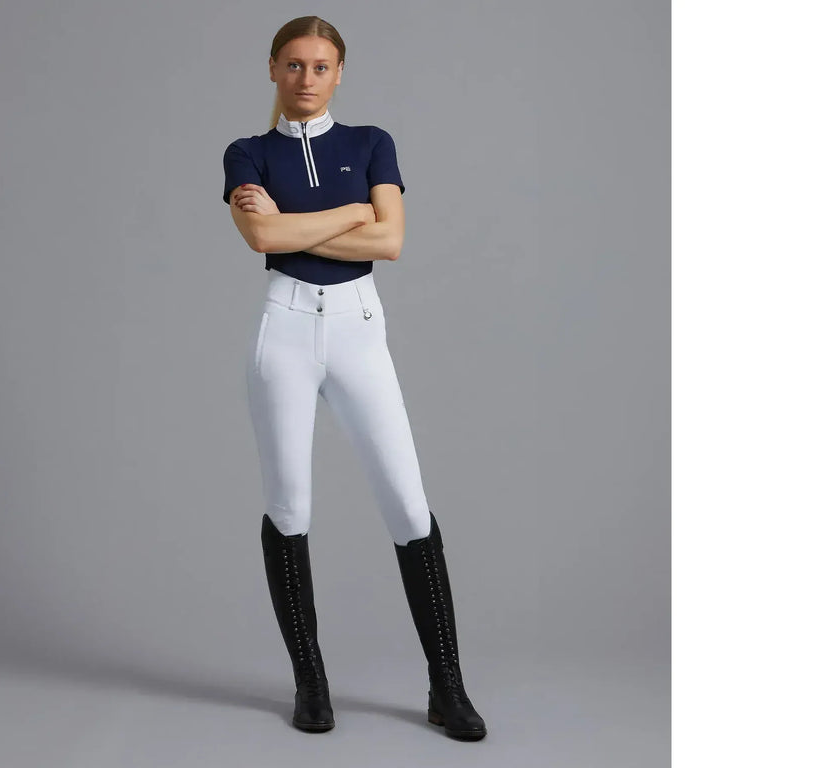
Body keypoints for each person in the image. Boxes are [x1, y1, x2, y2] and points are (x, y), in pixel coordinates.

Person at [221, 15, 487, 741]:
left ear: (340, 72)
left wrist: (300, 223)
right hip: (284, 330)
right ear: (272, 69)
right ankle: (311, 683)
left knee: (408, 504)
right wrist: (351, 212)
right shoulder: (246, 153)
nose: (307, 79)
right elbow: (263, 237)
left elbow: (390, 240)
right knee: (290, 506)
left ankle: (447, 686)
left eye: (321, 66)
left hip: (359, 329)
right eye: (294, 65)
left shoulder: (372, 142)